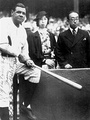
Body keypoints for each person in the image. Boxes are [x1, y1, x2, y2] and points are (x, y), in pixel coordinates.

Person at [0, 3, 41, 120]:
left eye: (23, 13)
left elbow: (24, 51)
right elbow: (2, 45)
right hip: (2, 60)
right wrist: (20, 55)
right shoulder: (3, 23)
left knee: (35, 72)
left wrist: (28, 60)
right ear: (12, 12)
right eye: (18, 12)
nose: (21, 15)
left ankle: (25, 105)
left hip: (14, 62)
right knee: (4, 93)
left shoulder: (22, 30)